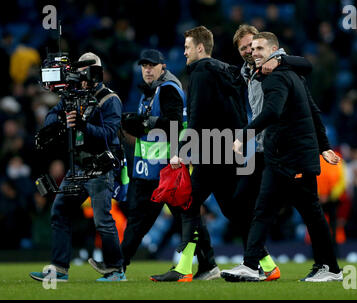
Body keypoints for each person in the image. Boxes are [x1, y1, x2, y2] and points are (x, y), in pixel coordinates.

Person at [87, 49, 218, 280]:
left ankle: (118, 267)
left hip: (166, 170)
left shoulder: (167, 90)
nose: (147, 69)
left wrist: (144, 122)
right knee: (158, 220)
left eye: (152, 65)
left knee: (173, 220)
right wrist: (136, 125)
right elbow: (150, 130)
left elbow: (175, 123)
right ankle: (119, 266)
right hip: (150, 170)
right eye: (144, 66)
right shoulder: (151, 91)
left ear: (162, 67)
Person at [222, 32, 343, 282]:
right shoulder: (291, 75)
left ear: (276, 51)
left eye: (259, 48)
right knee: (286, 211)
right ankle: (326, 267)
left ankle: (255, 265)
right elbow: (312, 110)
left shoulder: (275, 77)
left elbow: (272, 111)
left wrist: (243, 135)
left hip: (290, 157)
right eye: (251, 48)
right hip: (291, 155)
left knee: (279, 210)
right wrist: (324, 146)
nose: (254, 52)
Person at [150, 26, 249, 282]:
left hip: (211, 153)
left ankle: (184, 267)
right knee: (232, 210)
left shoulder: (201, 72)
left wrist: (182, 151)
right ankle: (264, 262)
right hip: (225, 151)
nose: (184, 53)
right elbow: (237, 112)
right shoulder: (226, 71)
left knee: (188, 204)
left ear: (200, 48)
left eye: (187, 47)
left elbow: (197, 116)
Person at [30, 52, 126, 282]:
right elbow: (51, 116)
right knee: (60, 211)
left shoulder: (108, 99)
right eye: (80, 70)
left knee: (102, 219)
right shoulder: (73, 97)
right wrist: (61, 120)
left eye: (87, 70)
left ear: (97, 71)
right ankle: (59, 269)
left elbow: (109, 135)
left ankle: (116, 270)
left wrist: (83, 125)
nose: (82, 76)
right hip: (79, 165)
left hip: (100, 165)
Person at [228, 24, 314, 280]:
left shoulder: (278, 63)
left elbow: (307, 65)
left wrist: (279, 59)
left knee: (285, 207)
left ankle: (256, 263)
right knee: (245, 202)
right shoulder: (246, 71)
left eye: (252, 45)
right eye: (243, 47)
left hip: (282, 147)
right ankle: (262, 262)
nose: (248, 51)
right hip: (264, 146)